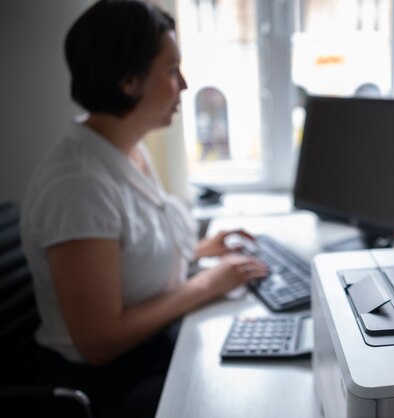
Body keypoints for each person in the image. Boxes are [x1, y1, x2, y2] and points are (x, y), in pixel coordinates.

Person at [19, 1, 267, 417]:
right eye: (171, 70)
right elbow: (99, 342)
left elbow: (131, 252)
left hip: (150, 352)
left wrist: (201, 251)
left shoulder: (125, 150)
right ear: (129, 80)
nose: (185, 85)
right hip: (110, 386)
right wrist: (206, 285)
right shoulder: (78, 186)